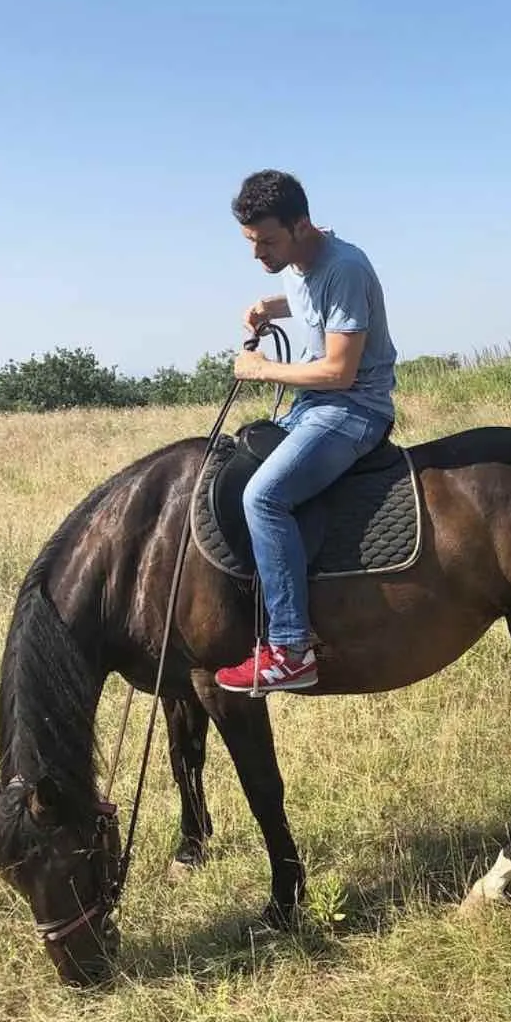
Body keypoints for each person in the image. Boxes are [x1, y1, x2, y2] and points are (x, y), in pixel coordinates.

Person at [214, 169, 398, 693]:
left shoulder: (345, 268)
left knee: (264, 498)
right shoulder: (300, 262)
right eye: (251, 242)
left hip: (353, 409)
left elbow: (340, 372)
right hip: (312, 405)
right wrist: (265, 306)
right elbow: (302, 297)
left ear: (301, 224)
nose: (257, 254)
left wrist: (261, 369)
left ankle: (292, 648)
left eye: (266, 241)